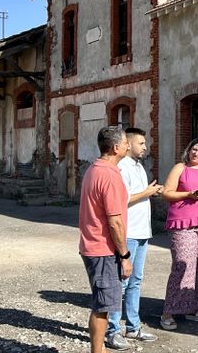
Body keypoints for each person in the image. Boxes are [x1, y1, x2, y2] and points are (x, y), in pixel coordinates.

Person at [105, 127, 164, 350]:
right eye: (141, 143)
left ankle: (133, 326)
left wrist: (152, 191)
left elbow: (138, 195)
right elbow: (122, 200)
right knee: (120, 282)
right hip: (128, 233)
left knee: (136, 281)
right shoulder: (121, 167)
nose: (145, 147)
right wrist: (147, 193)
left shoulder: (139, 166)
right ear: (128, 144)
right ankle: (113, 330)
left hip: (142, 232)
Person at [78, 126, 133, 353]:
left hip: (92, 245)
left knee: (103, 303)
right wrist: (125, 255)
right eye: (125, 142)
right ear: (115, 147)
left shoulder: (94, 169)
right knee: (103, 306)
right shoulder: (109, 175)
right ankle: (97, 350)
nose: (129, 145)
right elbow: (115, 222)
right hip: (102, 248)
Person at [159, 137, 198, 330]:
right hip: (182, 223)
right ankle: (169, 311)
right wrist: (188, 194)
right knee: (182, 265)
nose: (197, 153)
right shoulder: (180, 168)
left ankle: (193, 308)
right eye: (194, 150)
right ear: (189, 150)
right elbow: (167, 192)